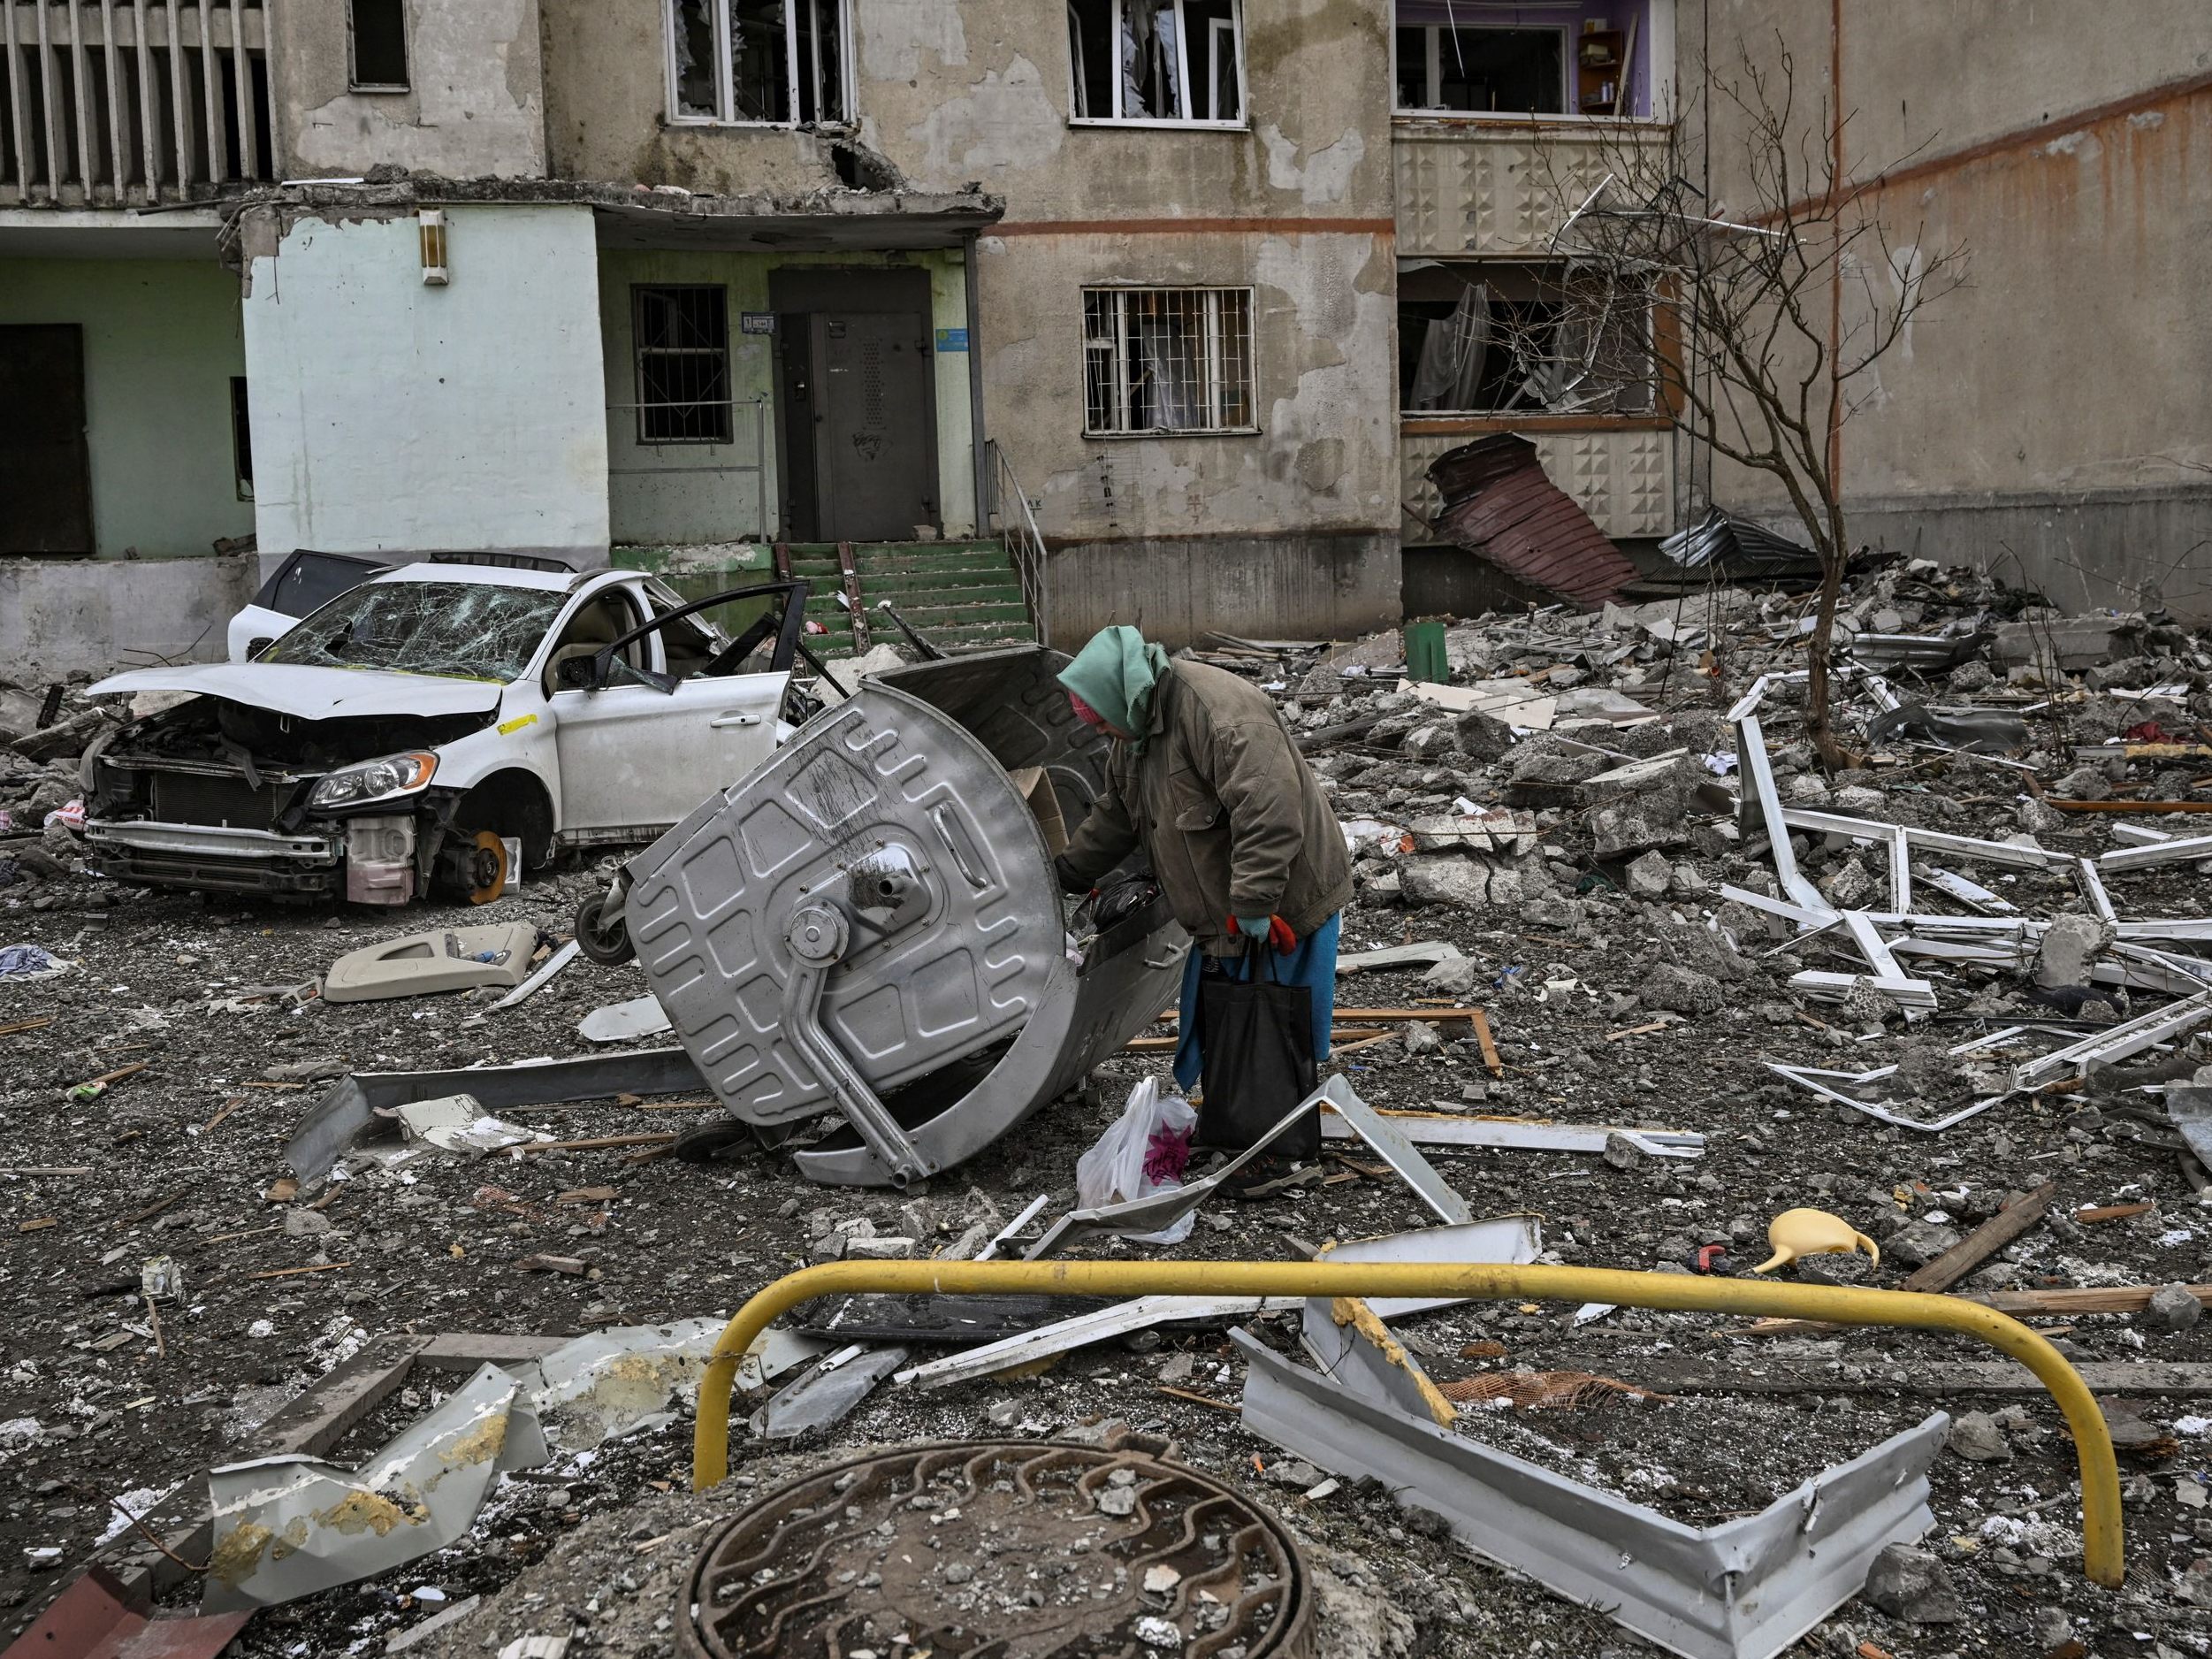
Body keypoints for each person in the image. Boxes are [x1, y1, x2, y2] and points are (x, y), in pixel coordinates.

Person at [1051, 624, 1351, 1111]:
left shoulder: (1218, 712)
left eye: (1100, 721)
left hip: (1284, 901)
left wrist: (1255, 900)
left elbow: (1269, 809)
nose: (1098, 731)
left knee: (1273, 1026)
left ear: (1118, 696)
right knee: (1228, 1023)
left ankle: (1275, 1146)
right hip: (1228, 908)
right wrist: (1065, 875)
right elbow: (1117, 816)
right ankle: (1235, 1123)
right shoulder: (1134, 728)